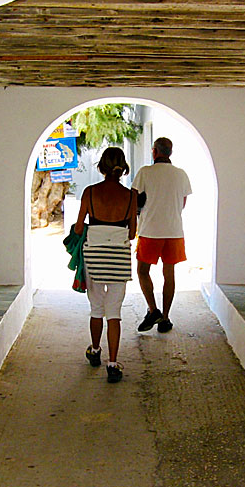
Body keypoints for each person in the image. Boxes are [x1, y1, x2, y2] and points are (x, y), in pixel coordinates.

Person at [74, 147, 137, 383]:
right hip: (119, 259)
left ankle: (95, 350)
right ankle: (113, 363)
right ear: (123, 169)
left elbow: (80, 227)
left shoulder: (90, 193)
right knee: (114, 312)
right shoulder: (131, 195)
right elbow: (132, 233)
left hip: (94, 258)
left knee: (96, 309)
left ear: (101, 167)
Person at [132, 137, 192, 333]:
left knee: (142, 271)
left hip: (150, 230)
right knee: (169, 274)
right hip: (174, 231)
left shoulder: (145, 173)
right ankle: (165, 318)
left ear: (154, 152)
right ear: (170, 152)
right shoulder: (181, 174)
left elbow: (135, 201)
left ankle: (152, 310)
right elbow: (182, 204)